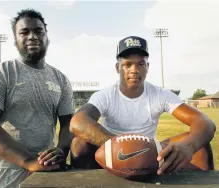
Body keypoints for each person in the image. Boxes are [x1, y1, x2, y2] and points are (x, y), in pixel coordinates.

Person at [69, 36, 216, 174]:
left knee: (200, 145)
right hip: (111, 155)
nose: (134, 70)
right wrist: (122, 147)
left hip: (150, 156)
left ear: (147, 66)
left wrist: (188, 146)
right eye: (127, 64)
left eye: (140, 64)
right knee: (79, 144)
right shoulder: (106, 95)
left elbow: (205, 122)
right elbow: (77, 122)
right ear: (117, 68)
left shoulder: (159, 94)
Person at [0, 9, 74, 188]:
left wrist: (61, 150)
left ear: (46, 37)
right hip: (5, 167)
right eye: (24, 32)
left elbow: (68, 124)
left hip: (44, 167)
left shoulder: (60, 79)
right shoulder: (1, 74)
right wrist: (27, 160)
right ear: (15, 40)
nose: (32, 36)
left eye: (38, 31)